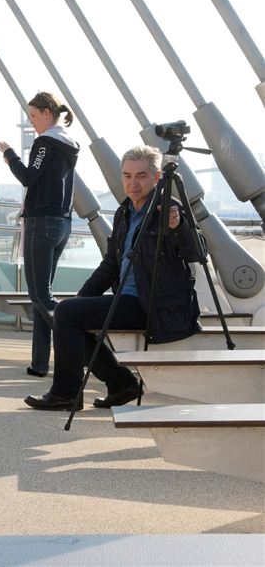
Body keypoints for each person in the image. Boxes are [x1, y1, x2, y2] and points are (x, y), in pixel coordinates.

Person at [24, 144, 204, 410]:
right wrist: (81, 298)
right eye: (127, 176)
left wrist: (179, 227)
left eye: (141, 176)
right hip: (128, 299)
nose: (133, 183)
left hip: (155, 305)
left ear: (156, 178)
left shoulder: (168, 210)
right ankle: (121, 384)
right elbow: (110, 265)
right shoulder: (124, 212)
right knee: (66, 316)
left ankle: (68, 394)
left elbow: (197, 252)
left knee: (66, 314)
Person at [0, 91, 80, 377]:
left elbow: (29, 177)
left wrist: (9, 154)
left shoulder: (45, 142)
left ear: (47, 112)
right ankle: (40, 363)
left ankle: (84, 346)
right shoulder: (70, 144)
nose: (32, 122)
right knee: (41, 296)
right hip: (62, 223)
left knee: (41, 297)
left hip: (41, 222)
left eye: (34, 116)